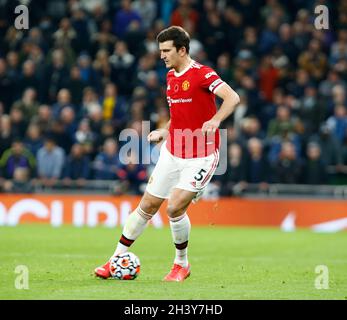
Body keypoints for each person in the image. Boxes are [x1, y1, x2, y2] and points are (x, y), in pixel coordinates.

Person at [94, 26, 240, 281]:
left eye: (166, 50)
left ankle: (181, 264)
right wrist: (164, 131)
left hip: (202, 155)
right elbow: (179, 116)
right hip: (173, 152)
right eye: (160, 50)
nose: (161, 55)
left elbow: (233, 98)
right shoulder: (171, 77)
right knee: (147, 205)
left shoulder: (203, 74)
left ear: (182, 50)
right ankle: (114, 260)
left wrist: (216, 120)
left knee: (173, 208)